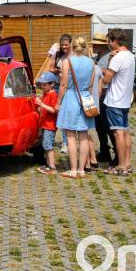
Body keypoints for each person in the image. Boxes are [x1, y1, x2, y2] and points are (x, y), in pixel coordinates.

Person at [55, 35, 97, 178]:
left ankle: (73, 169)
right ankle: (81, 169)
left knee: (71, 136)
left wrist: (58, 102)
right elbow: (91, 85)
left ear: (73, 46)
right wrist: (87, 99)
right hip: (85, 98)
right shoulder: (91, 63)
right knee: (84, 135)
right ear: (85, 47)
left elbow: (64, 84)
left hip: (71, 98)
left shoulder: (68, 61)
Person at [100, 28, 135, 176]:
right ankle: (126, 163)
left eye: (109, 41)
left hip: (115, 100)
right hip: (125, 99)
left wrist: (109, 61)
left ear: (115, 41)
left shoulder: (117, 58)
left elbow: (107, 79)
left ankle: (121, 166)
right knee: (125, 132)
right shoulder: (130, 55)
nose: (108, 44)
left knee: (118, 133)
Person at [91, 33, 117, 166]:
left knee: (107, 125)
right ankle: (104, 150)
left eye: (95, 44)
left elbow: (110, 72)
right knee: (99, 125)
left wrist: (96, 69)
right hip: (97, 93)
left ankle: (117, 153)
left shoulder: (109, 57)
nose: (94, 46)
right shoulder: (97, 57)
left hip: (105, 92)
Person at [34, 71, 59, 174]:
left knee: (48, 146)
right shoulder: (45, 93)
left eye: (44, 84)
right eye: (41, 84)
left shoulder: (53, 95)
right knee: (45, 145)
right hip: (44, 124)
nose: (42, 86)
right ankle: (48, 164)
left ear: (52, 84)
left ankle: (52, 167)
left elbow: (54, 110)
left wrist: (42, 105)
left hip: (50, 125)